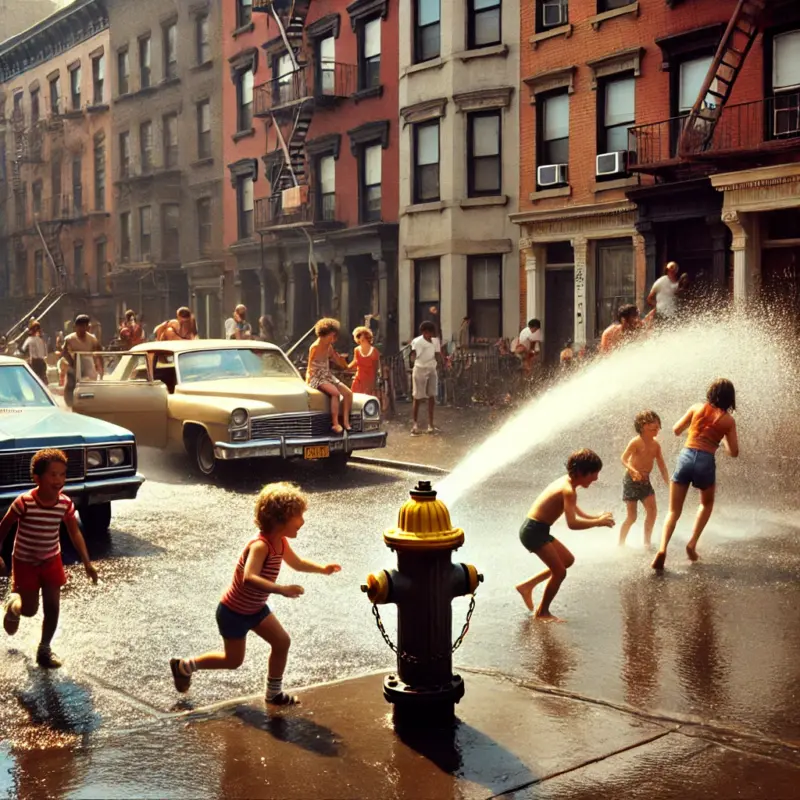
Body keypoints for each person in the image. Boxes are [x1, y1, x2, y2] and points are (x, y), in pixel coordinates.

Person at [169, 482, 340, 705]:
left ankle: (273, 693)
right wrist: (281, 589)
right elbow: (249, 577)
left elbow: (297, 563)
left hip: (256, 609)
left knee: (282, 642)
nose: (303, 521)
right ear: (281, 519)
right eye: (298, 516)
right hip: (233, 612)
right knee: (233, 661)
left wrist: (322, 569)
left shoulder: (280, 542)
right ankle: (184, 666)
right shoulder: (260, 546)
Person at [0, 449, 99, 668]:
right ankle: (13, 606)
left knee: (53, 607)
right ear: (37, 478)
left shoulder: (64, 504)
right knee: (30, 610)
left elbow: (74, 532)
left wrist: (87, 563)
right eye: (53, 474)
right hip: (25, 561)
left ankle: (44, 649)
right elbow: (4, 527)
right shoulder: (24, 502)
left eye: (62, 474)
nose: (59, 480)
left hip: (51, 558)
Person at [514, 449, 615, 621]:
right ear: (582, 472)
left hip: (537, 529)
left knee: (567, 561)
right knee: (560, 572)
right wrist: (598, 523)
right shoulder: (568, 489)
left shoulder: (567, 483)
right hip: (533, 531)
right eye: (594, 474)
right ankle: (542, 612)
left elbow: (573, 508)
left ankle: (527, 586)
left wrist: (595, 517)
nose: (596, 479)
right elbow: (572, 524)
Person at [652, 379, 739, 571]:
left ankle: (662, 549)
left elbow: (676, 430)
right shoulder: (728, 421)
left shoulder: (697, 408)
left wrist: (693, 432)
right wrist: (721, 439)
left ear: (711, 392)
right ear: (729, 398)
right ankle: (691, 543)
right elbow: (734, 452)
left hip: (686, 455)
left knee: (673, 511)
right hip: (705, 460)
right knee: (706, 504)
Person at [619, 411, 670, 548]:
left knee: (652, 511)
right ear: (642, 426)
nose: (657, 427)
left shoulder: (656, 445)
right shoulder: (635, 442)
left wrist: (669, 484)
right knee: (632, 517)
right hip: (631, 480)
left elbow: (662, 467)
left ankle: (647, 542)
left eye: (658, 425)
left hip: (645, 482)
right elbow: (623, 459)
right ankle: (621, 543)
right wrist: (633, 470)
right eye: (653, 424)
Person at [306, 318, 352, 433]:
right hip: (317, 377)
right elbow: (309, 365)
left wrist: (346, 364)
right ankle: (335, 424)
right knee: (335, 393)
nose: (333, 339)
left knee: (348, 393)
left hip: (328, 375)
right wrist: (308, 379)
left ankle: (345, 422)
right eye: (331, 336)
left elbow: (337, 360)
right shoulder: (315, 347)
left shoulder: (329, 347)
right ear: (324, 334)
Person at [410, 321, 443, 436]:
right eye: (427, 333)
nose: (429, 335)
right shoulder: (417, 341)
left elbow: (438, 354)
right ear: (423, 332)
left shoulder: (435, 341)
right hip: (420, 369)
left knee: (432, 396)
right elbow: (413, 355)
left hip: (431, 369)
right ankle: (415, 424)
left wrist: (442, 364)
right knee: (417, 397)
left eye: (431, 333)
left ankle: (431, 424)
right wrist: (413, 358)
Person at [63, 314, 103, 408]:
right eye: (80, 326)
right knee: (71, 385)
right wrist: (72, 362)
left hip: (88, 366)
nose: (83, 328)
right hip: (74, 366)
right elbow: (64, 352)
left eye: (85, 325)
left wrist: (100, 369)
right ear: (76, 327)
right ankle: (70, 405)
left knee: (89, 388)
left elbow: (98, 354)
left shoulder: (92, 339)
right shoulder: (70, 339)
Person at [349, 326, 380, 396]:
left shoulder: (374, 351)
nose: (360, 337)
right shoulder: (356, 350)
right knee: (354, 396)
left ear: (367, 336)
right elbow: (355, 362)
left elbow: (376, 367)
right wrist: (345, 367)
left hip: (369, 379)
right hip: (359, 378)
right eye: (358, 335)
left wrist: (374, 383)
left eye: (361, 335)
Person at [21, 321, 48, 385]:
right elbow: (45, 353)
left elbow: (23, 349)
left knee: (34, 381)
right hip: (42, 362)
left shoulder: (29, 339)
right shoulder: (42, 340)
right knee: (42, 381)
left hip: (34, 362)